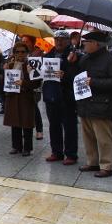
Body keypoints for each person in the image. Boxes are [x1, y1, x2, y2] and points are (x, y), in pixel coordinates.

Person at [69, 31, 112, 178]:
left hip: (102, 105)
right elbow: (76, 76)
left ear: (96, 44)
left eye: (87, 42)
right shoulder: (85, 58)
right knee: (88, 136)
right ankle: (92, 161)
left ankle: (107, 165)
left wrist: (94, 82)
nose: (84, 44)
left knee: (104, 138)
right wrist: (73, 63)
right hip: (85, 104)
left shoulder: (110, 60)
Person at [43, 30, 78, 165]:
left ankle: (71, 154)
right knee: (54, 125)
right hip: (51, 95)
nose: (59, 42)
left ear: (68, 41)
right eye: (57, 39)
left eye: (62, 39)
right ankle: (56, 152)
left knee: (69, 126)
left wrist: (67, 73)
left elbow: (78, 76)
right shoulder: (49, 54)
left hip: (67, 96)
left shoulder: (74, 55)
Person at [3, 42, 41, 156]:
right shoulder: (9, 65)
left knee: (26, 123)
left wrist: (24, 82)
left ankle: (27, 148)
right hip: (13, 97)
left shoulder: (31, 64)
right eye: (17, 52)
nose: (20, 54)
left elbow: (37, 83)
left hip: (26, 98)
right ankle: (16, 146)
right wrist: (4, 71)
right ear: (14, 53)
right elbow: (4, 83)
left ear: (27, 53)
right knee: (15, 122)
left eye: (23, 52)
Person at [21, 35, 44, 140]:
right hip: (24, 84)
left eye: (26, 41)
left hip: (35, 86)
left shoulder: (38, 53)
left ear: (32, 42)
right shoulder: (22, 53)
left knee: (34, 107)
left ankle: (39, 130)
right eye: (23, 41)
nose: (24, 43)